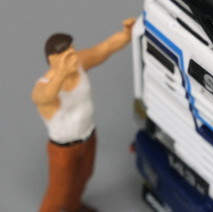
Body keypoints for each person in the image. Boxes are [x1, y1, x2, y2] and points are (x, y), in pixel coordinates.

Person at [32, 19, 136, 212]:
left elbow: (104, 49)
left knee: (83, 177)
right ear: (53, 60)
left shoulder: (78, 64)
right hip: (63, 150)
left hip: (88, 138)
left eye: (72, 50)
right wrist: (61, 73)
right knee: (58, 194)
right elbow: (44, 96)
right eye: (66, 55)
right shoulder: (43, 86)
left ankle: (73, 207)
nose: (72, 57)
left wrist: (127, 34)